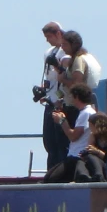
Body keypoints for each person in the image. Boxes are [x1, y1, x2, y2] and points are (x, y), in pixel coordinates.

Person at [43, 84, 97, 183]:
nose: (70, 99)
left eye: (71, 96)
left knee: (51, 179)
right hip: (73, 156)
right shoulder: (86, 112)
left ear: (76, 97)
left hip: (76, 157)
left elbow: (73, 136)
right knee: (49, 177)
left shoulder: (86, 113)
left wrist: (62, 121)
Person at [38, 21, 70, 169]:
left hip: (61, 101)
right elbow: (48, 77)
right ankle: (52, 170)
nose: (48, 40)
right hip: (50, 100)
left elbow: (65, 77)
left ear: (58, 34)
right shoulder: (49, 52)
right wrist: (43, 91)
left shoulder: (66, 52)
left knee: (60, 142)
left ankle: (61, 170)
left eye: (49, 36)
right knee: (49, 141)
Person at [57, 30, 96, 126]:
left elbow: (77, 84)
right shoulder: (76, 58)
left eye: (65, 44)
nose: (62, 47)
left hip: (74, 107)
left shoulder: (78, 60)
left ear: (73, 45)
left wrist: (62, 80)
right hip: (72, 104)